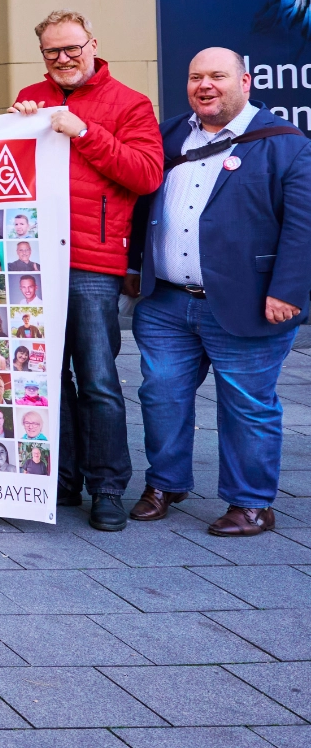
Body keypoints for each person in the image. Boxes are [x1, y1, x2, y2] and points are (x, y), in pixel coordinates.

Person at [128, 47, 311, 537]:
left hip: (249, 304)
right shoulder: (167, 135)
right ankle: (165, 484)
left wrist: (288, 290)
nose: (204, 85)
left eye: (217, 76)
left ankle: (251, 503)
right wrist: (132, 267)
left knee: (246, 404)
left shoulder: (286, 144)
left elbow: (303, 227)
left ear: (245, 82)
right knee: (161, 395)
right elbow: (138, 204)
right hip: (166, 302)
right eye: (195, 77)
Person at [10, 10, 163, 532]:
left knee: (97, 379)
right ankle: (62, 479)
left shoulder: (130, 103)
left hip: (92, 263)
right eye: (52, 51)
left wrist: (87, 132)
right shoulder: (31, 95)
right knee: (44, 378)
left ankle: (107, 487)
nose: (63, 58)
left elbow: (145, 175)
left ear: (93, 43)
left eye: (72, 47)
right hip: (32, 261)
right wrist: (2, 121)